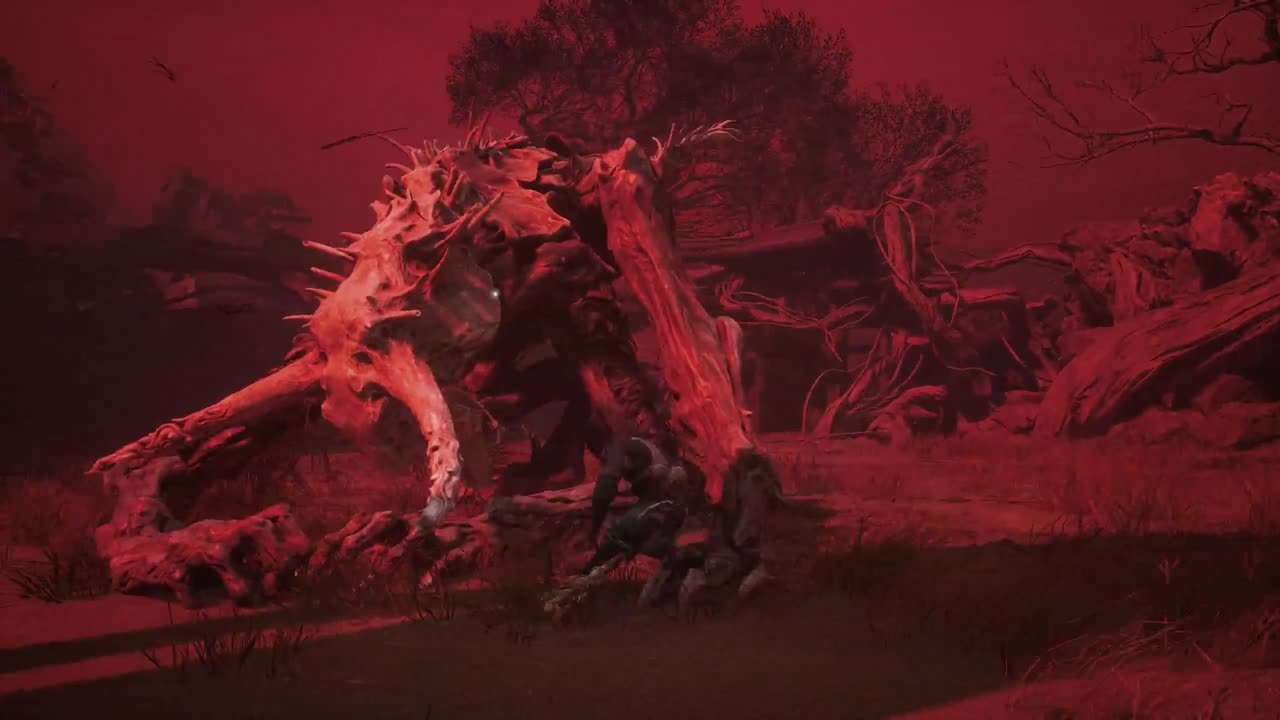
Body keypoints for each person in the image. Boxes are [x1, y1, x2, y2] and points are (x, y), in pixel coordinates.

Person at [579, 436, 695, 605]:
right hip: (660, 505)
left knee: (619, 538)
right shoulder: (636, 450)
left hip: (662, 504)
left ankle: (579, 586)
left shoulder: (618, 450)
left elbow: (603, 494)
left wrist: (594, 530)